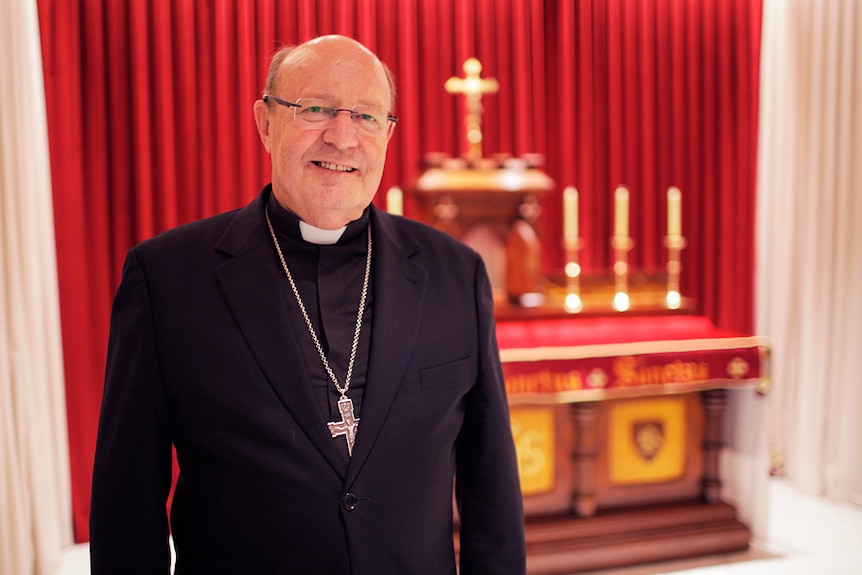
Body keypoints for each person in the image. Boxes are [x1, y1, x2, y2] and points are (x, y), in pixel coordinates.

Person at [89, 34, 526, 574]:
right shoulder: (167, 278)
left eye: (366, 116)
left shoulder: (455, 273)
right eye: (315, 109)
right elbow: (127, 500)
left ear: (388, 134)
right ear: (266, 124)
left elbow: (492, 486)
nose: (342, 137)